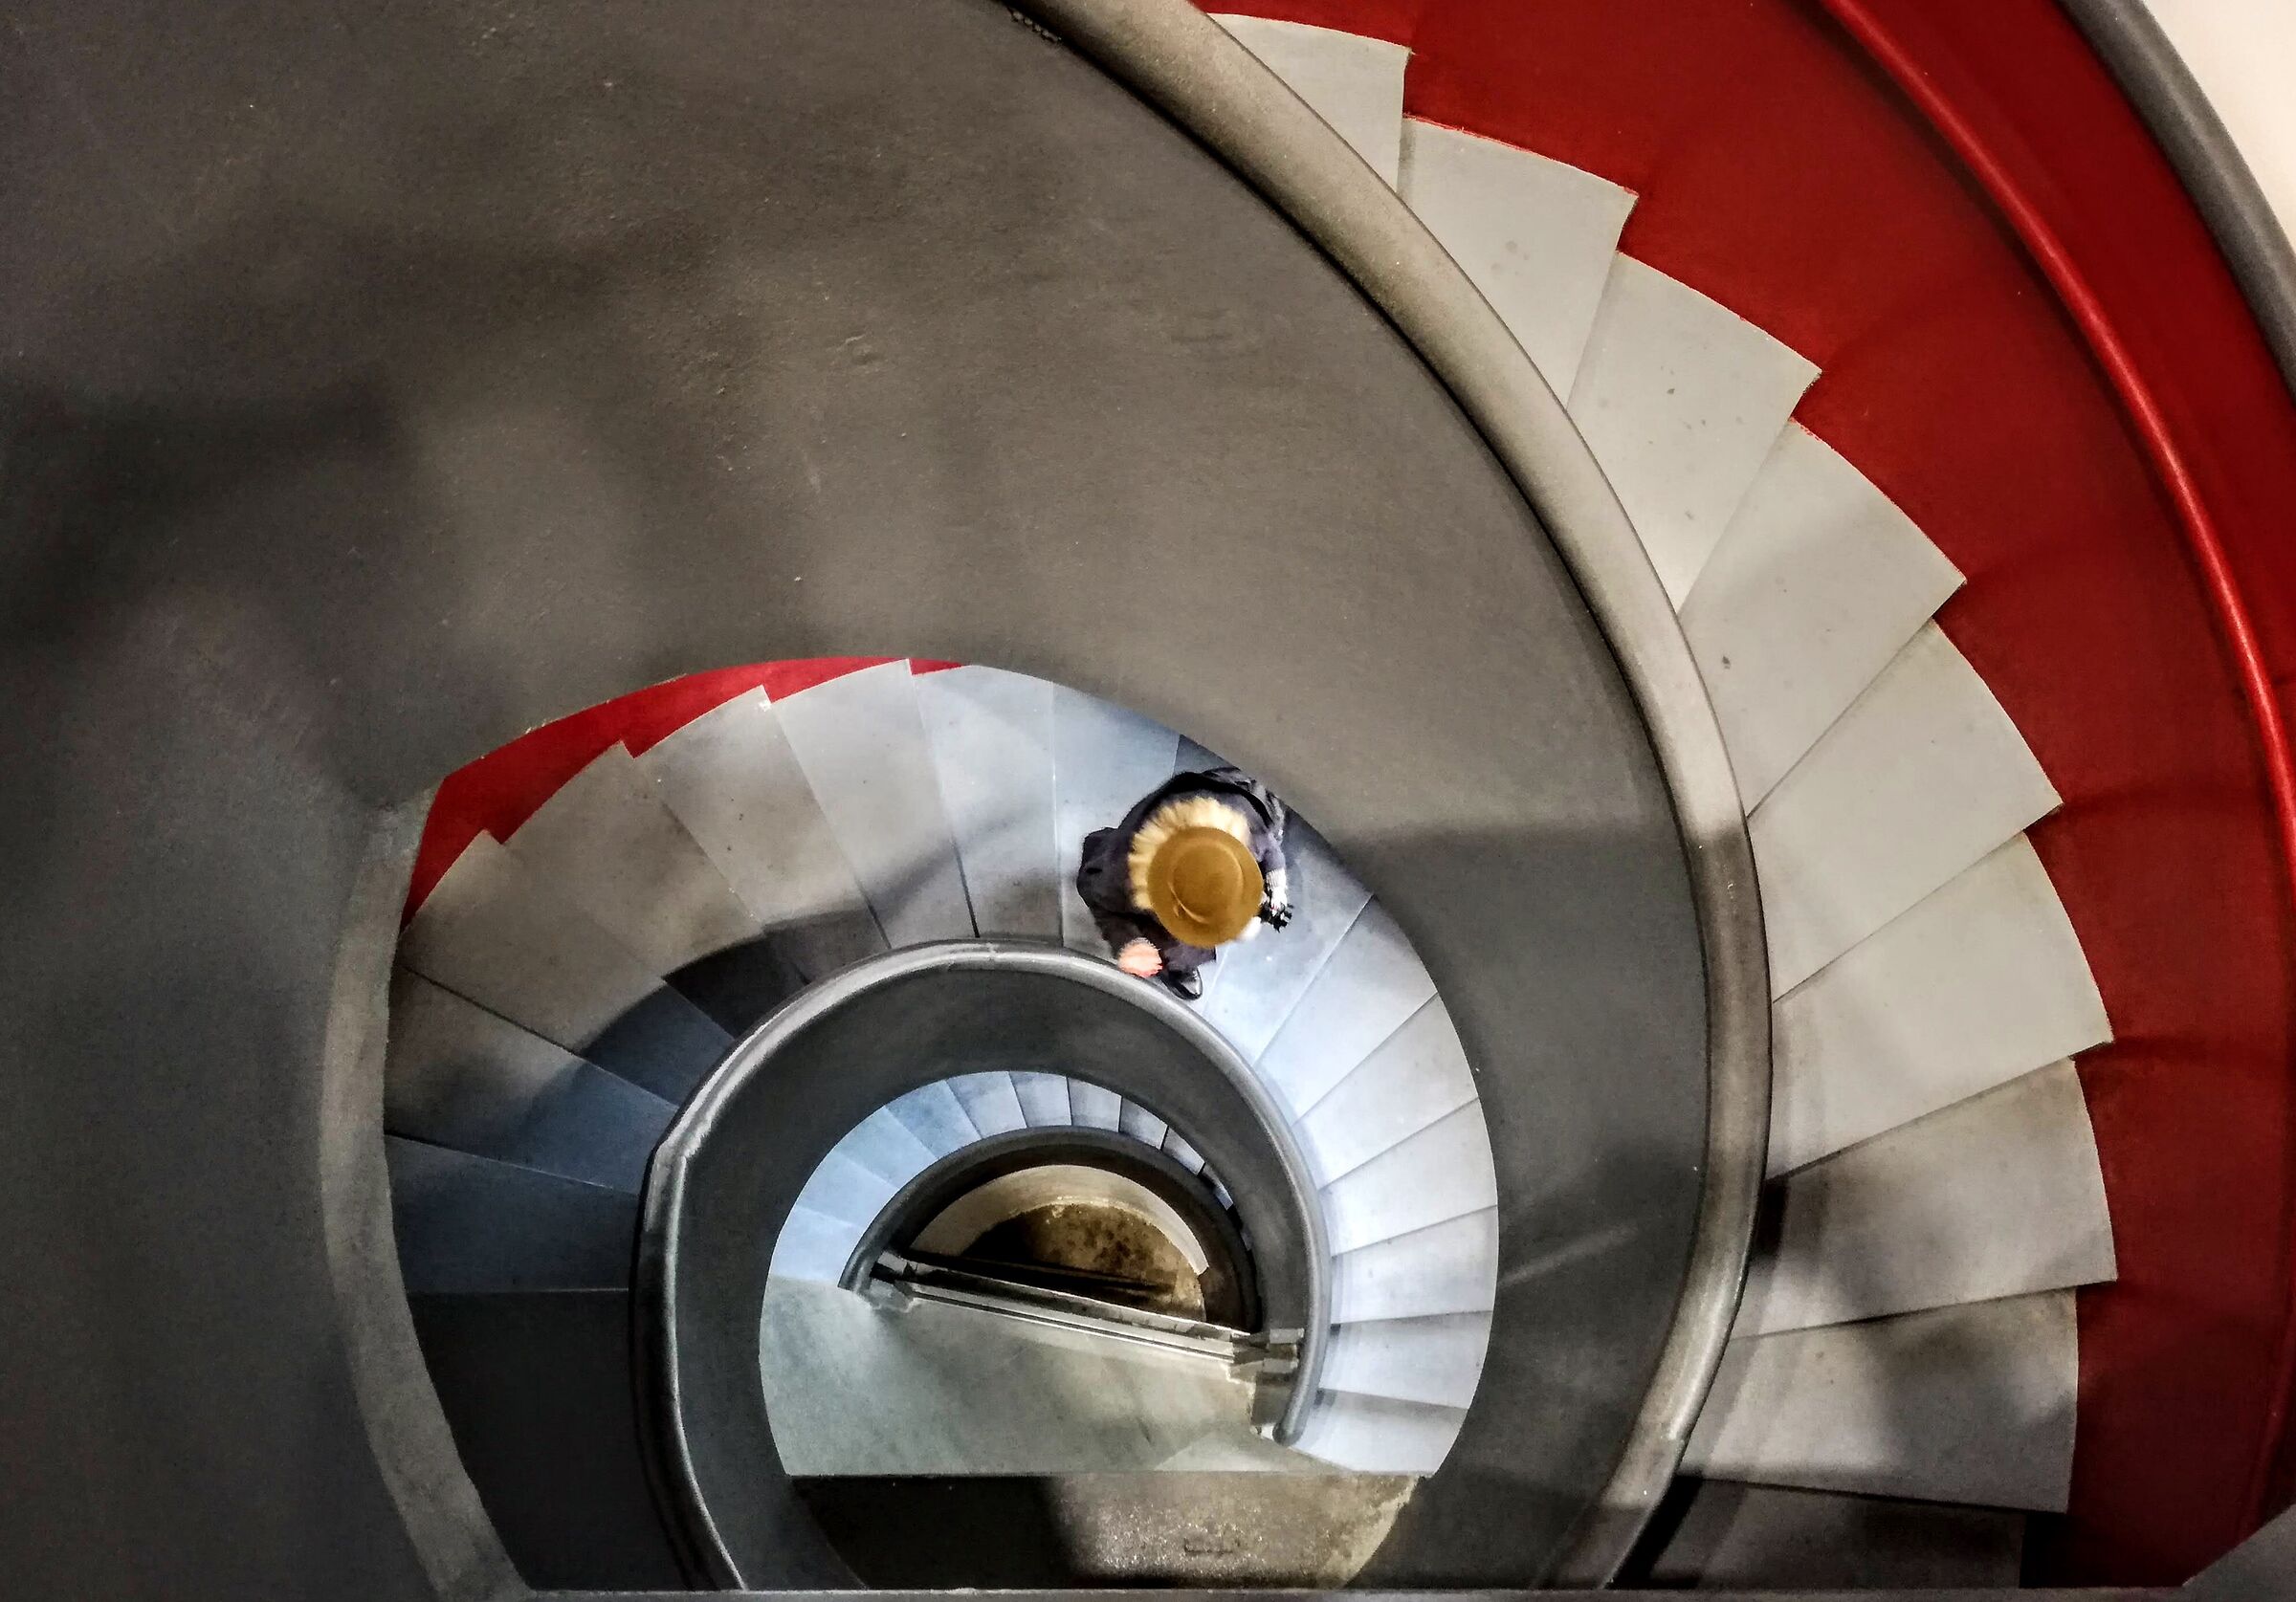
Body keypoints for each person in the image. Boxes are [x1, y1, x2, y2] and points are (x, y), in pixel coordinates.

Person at [1076, 764, 1292, 999]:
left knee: (1244, 931)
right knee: (1173, 946)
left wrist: (1276, 885)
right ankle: (1176, 965)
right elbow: (1094, 892)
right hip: (1139, 883)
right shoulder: (1119, 875)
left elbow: (1269, 848)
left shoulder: (1242, 822)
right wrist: (1128, 942)